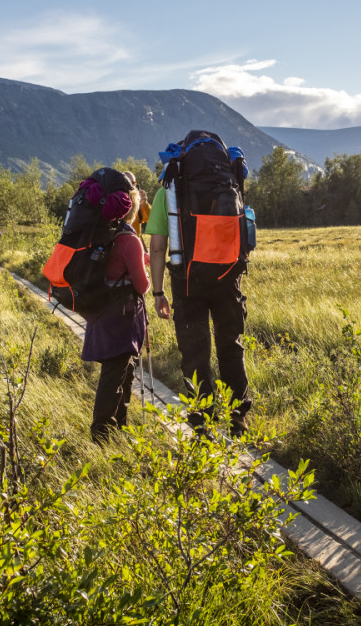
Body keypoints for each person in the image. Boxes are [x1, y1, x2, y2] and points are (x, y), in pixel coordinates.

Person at [147, 140, 251, 438]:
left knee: (195, 353)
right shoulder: (230, 184)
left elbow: (156, 248)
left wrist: (158, 292)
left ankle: (202, 425)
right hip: (228, 277)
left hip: (187, 280)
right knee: (231, 345)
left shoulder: (167, 191)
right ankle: (238, 418)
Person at [81, 183, 150, 443]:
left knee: (121, 370)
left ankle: (119, 428)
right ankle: (101, 435)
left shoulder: (102, 234)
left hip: (101, 309)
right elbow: (142, 286)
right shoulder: (129, 239)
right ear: (131, 208)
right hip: (123, 315)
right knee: (114, 373)